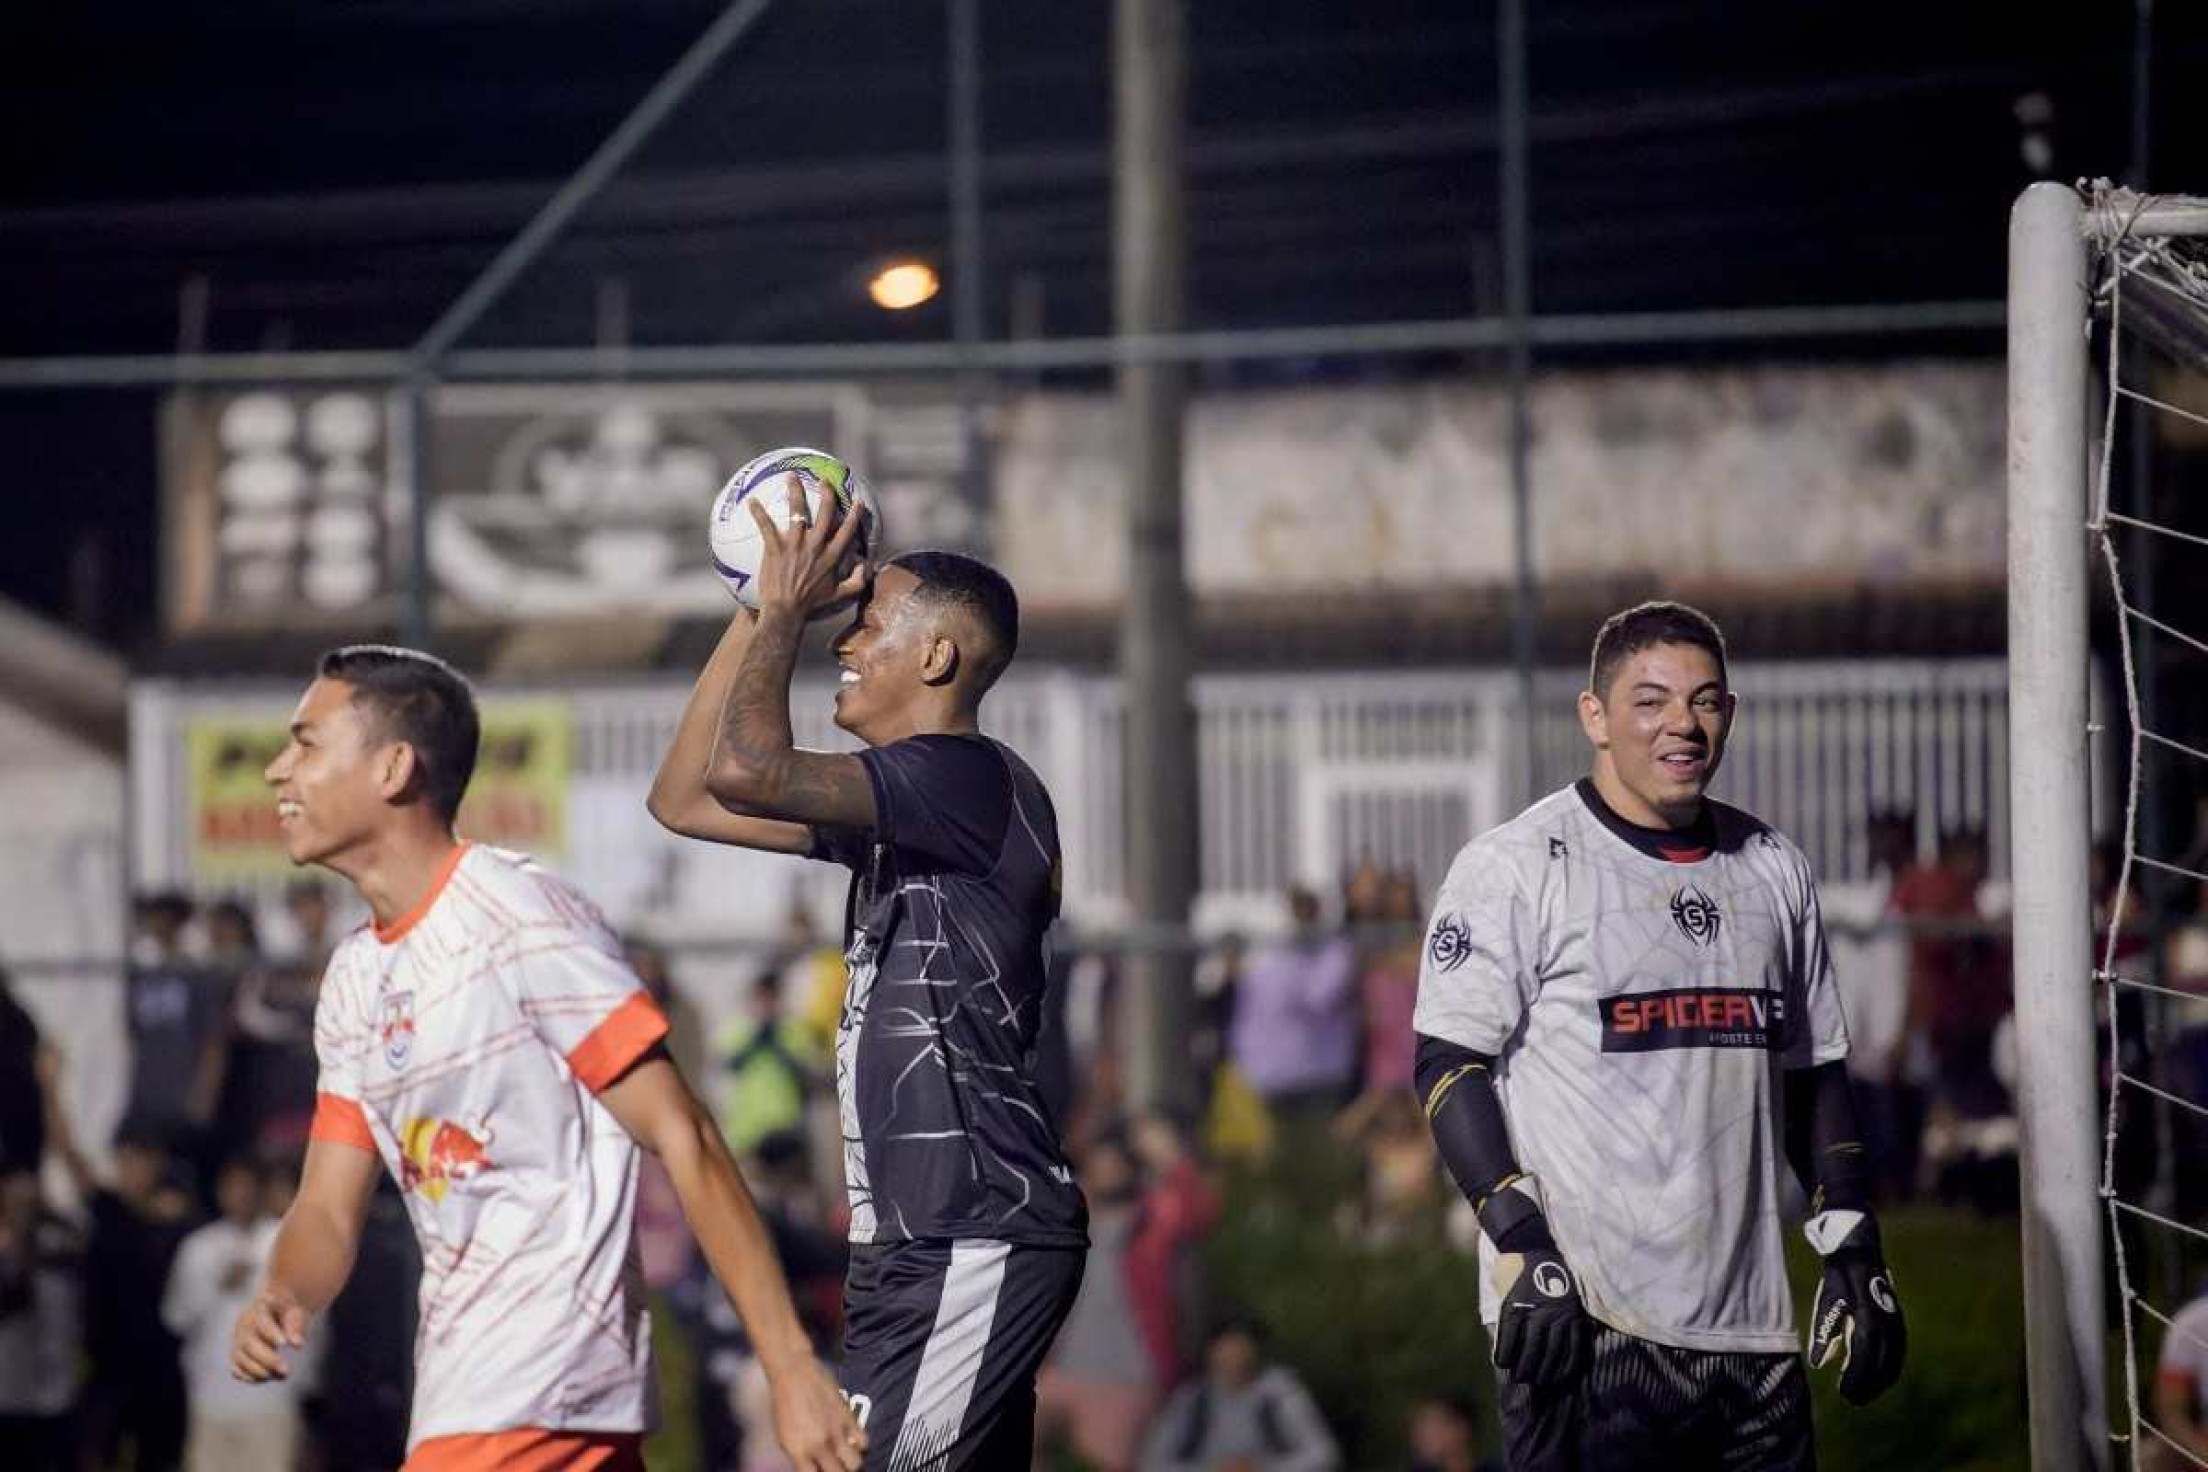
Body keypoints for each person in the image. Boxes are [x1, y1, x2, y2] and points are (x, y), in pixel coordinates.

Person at [231, 645, 862, 1472]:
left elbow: (683, 1133)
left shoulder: (519, 915)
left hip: (544, 1393)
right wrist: (284, 1291)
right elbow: (325, 1207)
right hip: (463, 1402)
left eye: (307, 742)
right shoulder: (356, 975)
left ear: (392, 768)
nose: (279, 771)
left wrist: (788, 1366)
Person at [646, 483, 1086, 1469]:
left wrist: (788, 611)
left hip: (974, 1226)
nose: (843, 643)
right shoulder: (908, 809)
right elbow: (685, 794)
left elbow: (748, 767)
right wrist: (760, 608)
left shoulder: (966, 777)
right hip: (911, 1244)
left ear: (936, 656)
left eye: (868, 624)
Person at [1413, 602, 1905, 1470]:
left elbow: (1814, 1073)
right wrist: (1519, 1240)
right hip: (1588, 1321)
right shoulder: (1516, 864)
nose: (1683, 723)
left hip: (1753, 1338)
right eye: (1650, 700)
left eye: (1707, 701)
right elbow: (1448, 1064)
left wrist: (1853, 1242)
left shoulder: (1773, 866)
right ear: (1594, 717)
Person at [165, 1155, 304, 1472]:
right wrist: (216, 1288)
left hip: (271, 1401)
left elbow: (311, 1319)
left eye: (247, 1185)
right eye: (231, 1186)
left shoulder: (285, 1240)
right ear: (219, 1191)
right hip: (211, 1399)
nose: (240, 1194)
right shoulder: (197, 1247)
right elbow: (176, 1317)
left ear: (261, 1189)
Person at [1136, 1318, 1340, 1472]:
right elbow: (1152, 1461)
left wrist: (1260, 1469)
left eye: (1241, 1352)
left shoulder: (1280, 1392)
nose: (1233, 1362)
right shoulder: (1191, 1399)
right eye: (1226, 1354)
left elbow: (1322, 1453)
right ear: (1211, 1354)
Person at [1227, 887, 1361, 1119]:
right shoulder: (1272, 952)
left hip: (1317, 1071)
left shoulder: (1331, 951)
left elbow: (1321, 997)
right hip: (1272, 1071)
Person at [0, 1168, 84, 1471]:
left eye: (30, 1200)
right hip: (10, 1394)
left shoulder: (59, 1240)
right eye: (15, 1200)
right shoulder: (7, 1249)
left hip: (60, 1390)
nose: (24, 1206)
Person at [2153, 1283, 2208, 1469]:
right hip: (2203, 1444)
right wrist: (2200, 1452)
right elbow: (2171, 1411)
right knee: (2151, 1456)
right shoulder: (2193, 1322)